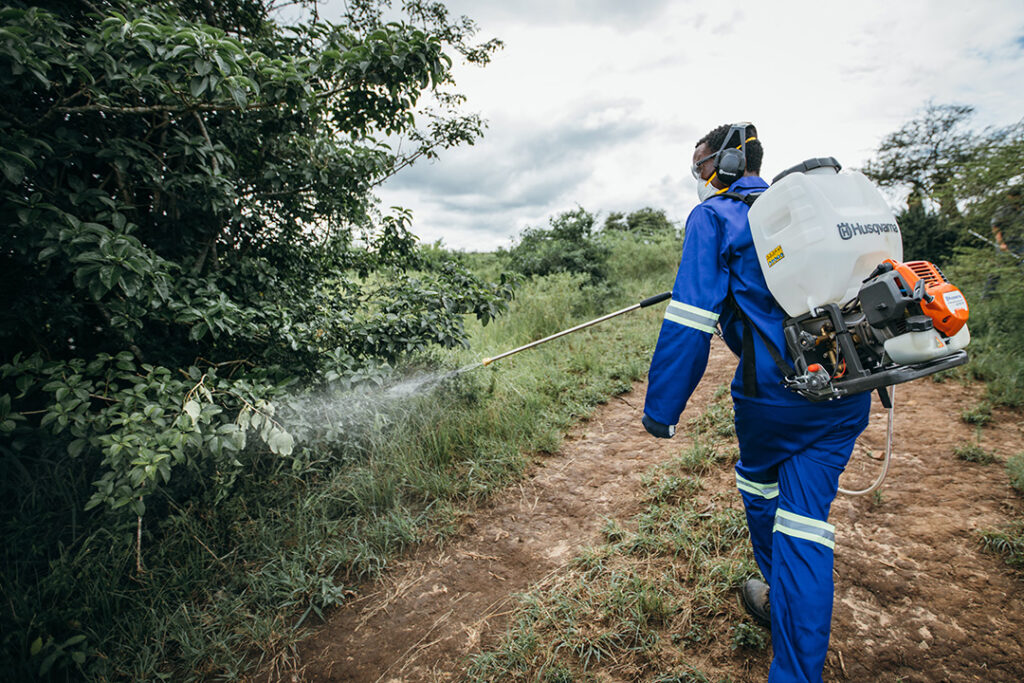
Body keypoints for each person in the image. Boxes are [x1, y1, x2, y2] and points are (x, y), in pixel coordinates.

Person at [641, 122, 872, 682]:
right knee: (807, 524)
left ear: (724, 165)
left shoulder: (715, 217)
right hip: (847, 391)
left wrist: (661, 410)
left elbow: (691, 321)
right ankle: (789, 634)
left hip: (773, 400)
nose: (698, 179)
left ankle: (780, 600)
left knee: (767, 499)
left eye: (700, 168)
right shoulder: (803, 215)